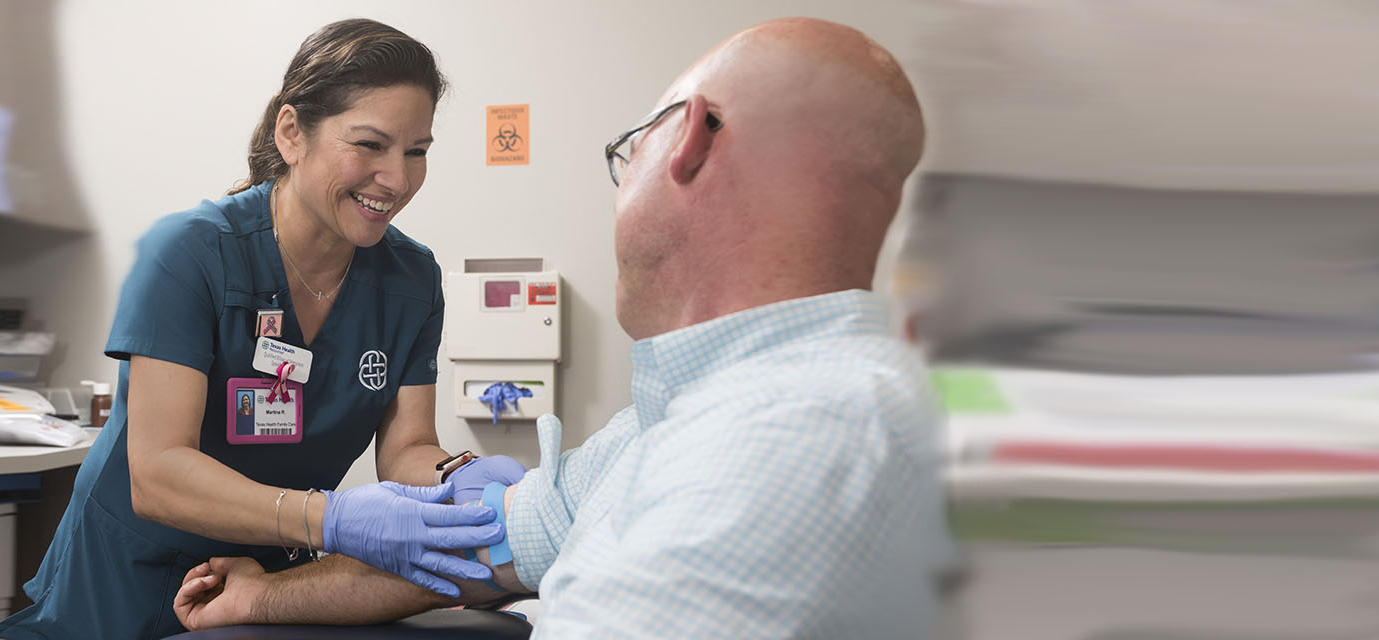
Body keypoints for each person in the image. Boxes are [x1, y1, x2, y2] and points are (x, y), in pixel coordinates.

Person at [169, 17, 951, 638]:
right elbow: (490, 542)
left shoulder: (783, 440)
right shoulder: (685, 417)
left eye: (627, 154)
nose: (396, 180)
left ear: (691, 138)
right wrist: (264, 600)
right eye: (370, 146)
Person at [0, 18, 526, 640]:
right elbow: (159, 472)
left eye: (417, 151)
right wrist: (331, 520)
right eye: (370, 145)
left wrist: (455, 476)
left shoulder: (410, 278)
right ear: (292, 133)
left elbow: (405, 449)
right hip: (118, 589)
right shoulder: (190, 254)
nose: (398, 180)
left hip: (267, 589)